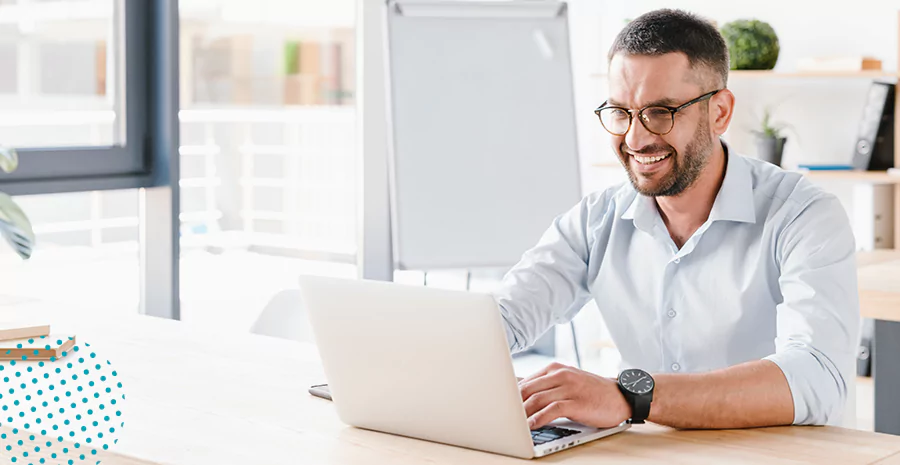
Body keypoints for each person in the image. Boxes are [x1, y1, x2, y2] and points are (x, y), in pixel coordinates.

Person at [493, 9, 860, 430]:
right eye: (620, 112)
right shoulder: (596, 219)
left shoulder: (804, 216)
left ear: (719, 112)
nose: (635, 138)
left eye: (661, 111)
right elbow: (502, 320)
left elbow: (818, 378)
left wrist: (630, 397)